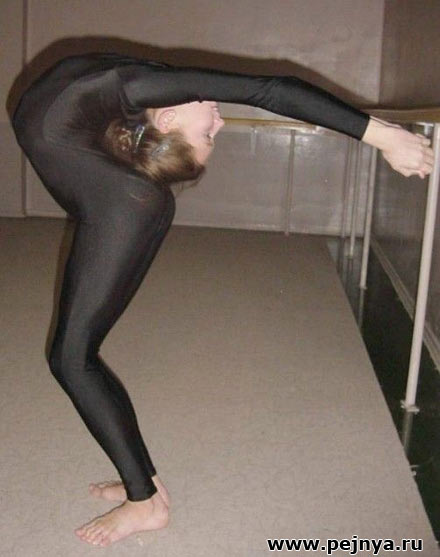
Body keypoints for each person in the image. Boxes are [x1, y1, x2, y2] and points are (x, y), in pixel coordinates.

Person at [11, 51, 434, 548]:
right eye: (212, 132)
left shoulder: (136, 91)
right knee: (76, 356)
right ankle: (143, 484)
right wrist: (380, 133)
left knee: (72, 358)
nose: (220, 122)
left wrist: (384, 137)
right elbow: (263, 89)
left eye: (207, 134)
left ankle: (144, 500)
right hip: (118, 201)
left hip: (122, 206)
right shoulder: (131, 92)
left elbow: (269, 90)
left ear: (167, 118)